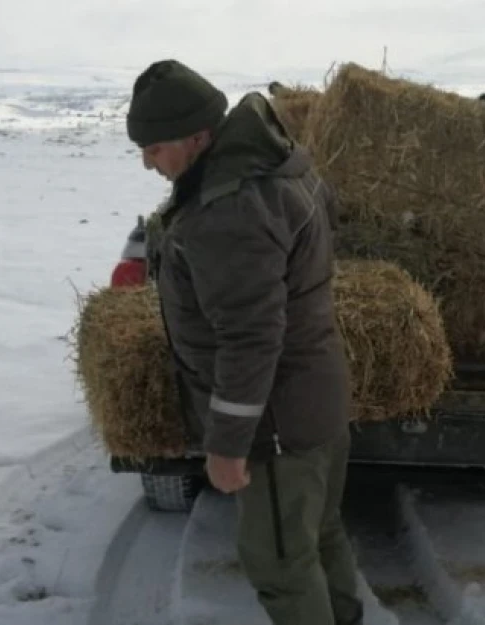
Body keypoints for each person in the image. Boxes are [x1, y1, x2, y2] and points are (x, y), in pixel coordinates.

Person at [126, 59, 364, 625]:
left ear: (198, 136)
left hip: (277, 425)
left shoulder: (228, 209)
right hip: (316, 399)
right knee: (317, 533)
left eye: (156, 148)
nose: (147, 162)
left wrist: (229, 445)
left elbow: (251, 336)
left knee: (280, 562)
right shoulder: (276, 164)